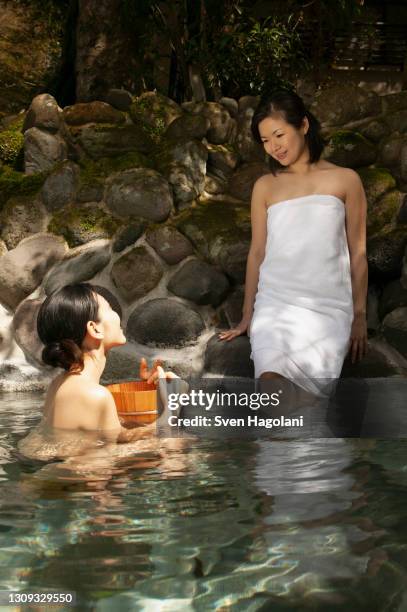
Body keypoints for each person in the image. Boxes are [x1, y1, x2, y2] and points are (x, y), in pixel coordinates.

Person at [218, 88, 368, 399]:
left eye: (279, 135)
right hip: (276, 305)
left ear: (302, 125)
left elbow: (358, 253)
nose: (273, 147)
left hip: (327, 307)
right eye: (265, 141)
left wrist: (360, 315)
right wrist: (249, 314)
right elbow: (257, 252)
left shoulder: (346, 180)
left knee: (307, 405)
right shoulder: (265, 186)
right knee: (272, 390)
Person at [17, 283, 183, 461]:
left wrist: (148, 394)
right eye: (110, 308)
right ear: (95, 329)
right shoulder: (92, 394)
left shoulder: (60, 384)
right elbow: (104, 461)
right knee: (176, 446)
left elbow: (116, 436)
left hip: (60, 473)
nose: (117, 315)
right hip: (70, 483)